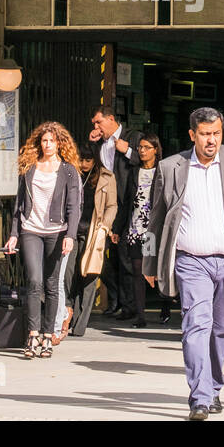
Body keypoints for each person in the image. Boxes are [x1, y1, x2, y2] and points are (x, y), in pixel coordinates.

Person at [144, 106, 224, 420]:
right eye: (204, 134)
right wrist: (150, 263)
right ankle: (200, 397)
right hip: (190, 261)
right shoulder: (170, 167)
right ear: (192, 135)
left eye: (216, 133)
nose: (211, 140)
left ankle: (213, 386)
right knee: (196, 325)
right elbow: (154, 221)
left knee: (220, 329)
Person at [6, 122, 82, 360]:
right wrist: (14, 233)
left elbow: (74, 207)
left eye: (52, 141)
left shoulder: (69, 171)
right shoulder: (30, 168)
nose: (48, 145)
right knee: (34, 281)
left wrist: (70, 235)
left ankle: (48, 335)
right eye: (44, 141)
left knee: (51, 284)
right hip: (31, 230)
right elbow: (18, 205)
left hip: (57, 232)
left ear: (60, 143)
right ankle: (32, 333)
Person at [90, 106, 141, 318]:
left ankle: (129, 306)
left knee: (124, 257)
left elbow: (146, 160)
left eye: (98, 123)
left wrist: (127, 150)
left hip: (127, 205)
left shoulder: (133, 136)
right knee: (103, 257)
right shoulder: (100, 144)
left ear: (111, 119)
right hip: (106, 205)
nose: (96, 127)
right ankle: (114, 300)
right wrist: (92, 143)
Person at [112, 132, 167, 328]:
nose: (142, 151)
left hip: (152, 230)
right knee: (137, 269)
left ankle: (165, 306)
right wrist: (118, 227)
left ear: (155, 150)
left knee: (154, 270)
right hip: (135, 228)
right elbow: (127, 201)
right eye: (140, 148)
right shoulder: (134, 171)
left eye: (146, 148)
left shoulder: (163, 170)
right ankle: (141, 316)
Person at [69, 142, 119, 337]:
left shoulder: (106, 177)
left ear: (95, 160)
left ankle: (80, 324)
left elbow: (112, 205)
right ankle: (70, 315)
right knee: (69, 275)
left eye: (88, 160)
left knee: (90, 275)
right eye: (81, 160)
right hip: (72, 231)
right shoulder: (71, 174)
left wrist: (105, 226)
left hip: (94, 232)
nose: (84, 164)